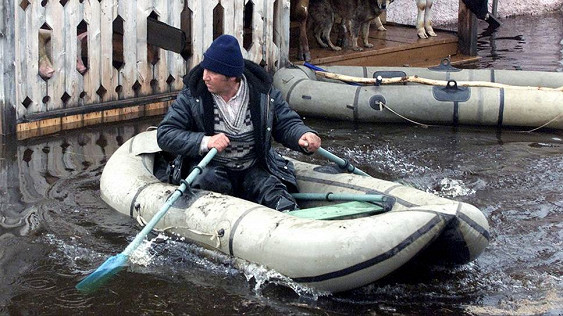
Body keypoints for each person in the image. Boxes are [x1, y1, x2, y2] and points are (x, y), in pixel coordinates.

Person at [156, 34, 321, 211]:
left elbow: (286, 123)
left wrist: (303, 134)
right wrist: (206, 141)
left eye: (213, 72)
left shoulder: (263, 94)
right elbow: (165, 134)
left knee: (275, 193)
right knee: (207, 180)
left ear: (232, 77)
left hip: (252, 167)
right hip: (209, 168)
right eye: (205, 69)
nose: (205, 77)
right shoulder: (192, 95)